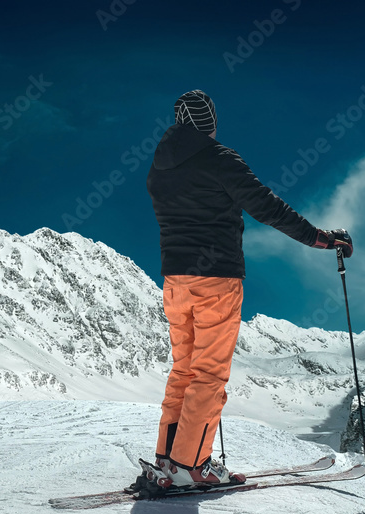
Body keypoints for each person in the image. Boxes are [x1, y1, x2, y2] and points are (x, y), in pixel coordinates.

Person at [134, 89, 352, 493]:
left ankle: (169, 458)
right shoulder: (220, 160)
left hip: (175, 281)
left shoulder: (159, 168)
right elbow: (268, 207)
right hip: (216, 280)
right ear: (207, 122)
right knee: (209, 375)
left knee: (183, 370)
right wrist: (321, 239)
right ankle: (189, 466)